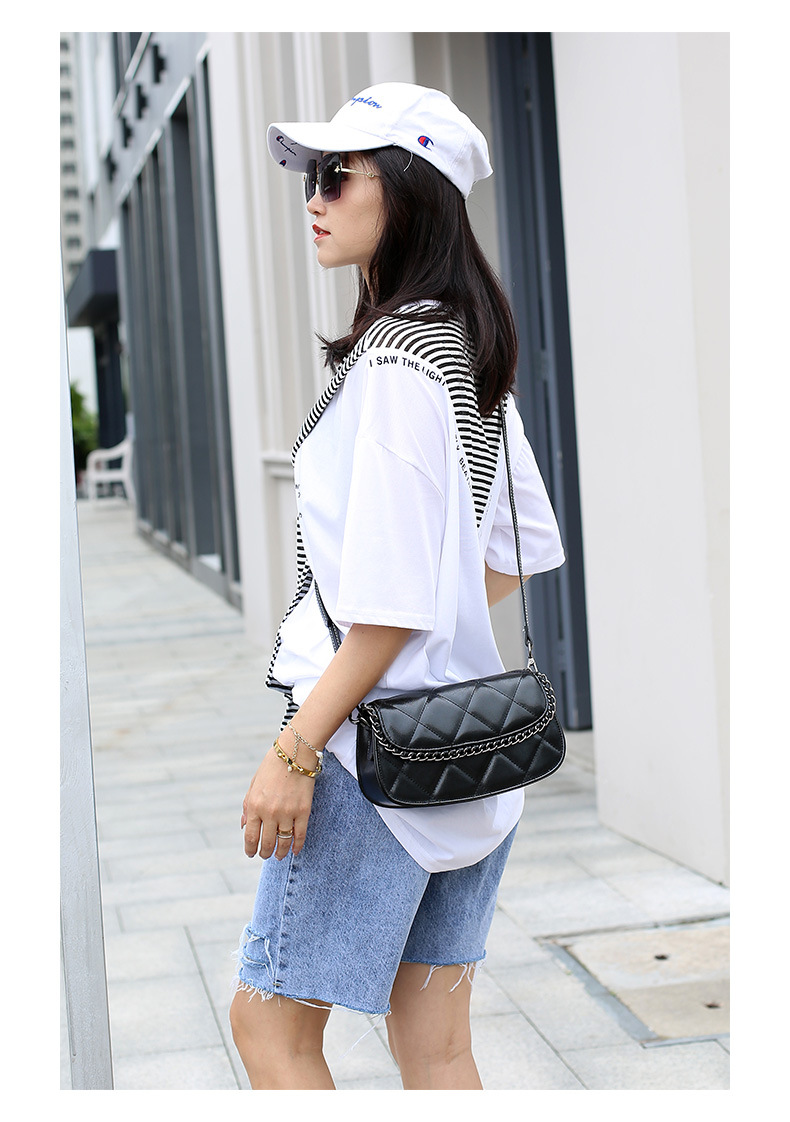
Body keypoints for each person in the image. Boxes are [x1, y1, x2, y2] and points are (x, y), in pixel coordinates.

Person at [229, 82, 565, 1091]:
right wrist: (435, 629)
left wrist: (294, 750)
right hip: (471, 749)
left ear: (410, 191)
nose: (314, 197)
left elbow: (385, 609)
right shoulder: (465, 347)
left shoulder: (393, 363)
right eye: (312, 177)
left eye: (339, 175)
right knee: (436, 1041)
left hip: (366, 755)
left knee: (272, 1030)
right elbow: (516, 548)